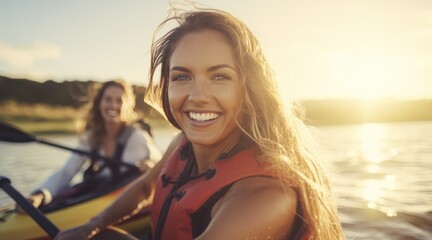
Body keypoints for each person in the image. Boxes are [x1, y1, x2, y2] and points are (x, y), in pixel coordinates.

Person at [55, 9, 344, 240]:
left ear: (249, 89)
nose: (197, 97)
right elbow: (145, 188)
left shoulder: (265, 197)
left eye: (219, 77)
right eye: (182, 77)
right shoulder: (181, 144)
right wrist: (92, 225)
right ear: (166, 86)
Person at [21, 80, 163, 209]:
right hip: (101, 193)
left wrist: (151, 163)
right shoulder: (91, 138)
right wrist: (40, 194)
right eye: (108, 99)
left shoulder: (136, 137)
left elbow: (162, 162)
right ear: (99, 104)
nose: (113, 105)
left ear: (127, 106)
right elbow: (67, 171)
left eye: (119, 101)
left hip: (130, 198)